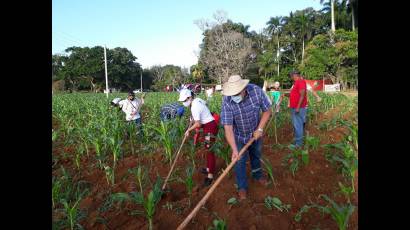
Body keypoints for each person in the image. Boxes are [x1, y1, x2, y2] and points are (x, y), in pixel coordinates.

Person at [220, 75, 272, 200]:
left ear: (244, 89)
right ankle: (242, 187)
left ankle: (257, 175)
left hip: (255, 133)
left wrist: (259, 129)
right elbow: (228, 128)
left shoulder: (255, 91)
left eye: (237, 93)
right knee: (239, 161)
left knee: (256, 154)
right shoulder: (227, 101)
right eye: (233, 94)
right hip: (238, 136)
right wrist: (234, 149)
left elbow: (267, 110)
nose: (235, 96)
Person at [178, 89, 218, 187]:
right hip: (209, 125)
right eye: (183, 101)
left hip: (210, 127)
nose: (184, 102)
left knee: (209, 150)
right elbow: (206, 105)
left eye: (185, 100)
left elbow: (198, 124)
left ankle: (210, 175)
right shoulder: (198, 100)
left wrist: (189, 130)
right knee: (207, 148)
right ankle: (209, 168)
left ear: (190, 97)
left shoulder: (194, 106)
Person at [288, 71, 308, 148]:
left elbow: (302, 95)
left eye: (291, 76)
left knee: (298, 125)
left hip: (298, 108)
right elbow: (295, 95)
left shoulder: (301, 81)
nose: (291, 78)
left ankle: (298, 144)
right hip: (295, 107)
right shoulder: (296, 83)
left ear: (294, 75)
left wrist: (298, 107)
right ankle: (297, 141)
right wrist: (286, 95)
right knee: (296, 125)